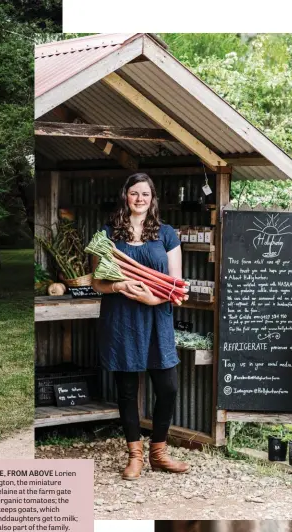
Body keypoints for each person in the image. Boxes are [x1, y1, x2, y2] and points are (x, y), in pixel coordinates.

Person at [92, 172, 189, 480]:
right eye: (134, 193)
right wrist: (118, 287)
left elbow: (177, 286)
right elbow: (97, 282)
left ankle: (158, 452)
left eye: (145, 194)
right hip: (121, 319)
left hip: (156, 318)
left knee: (168, 388)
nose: (139, 198)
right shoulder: (108, 234)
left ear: (152, 198)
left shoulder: (167, 234)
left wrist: (151, 299)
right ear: (126, 196)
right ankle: (135, 454)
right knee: (127, 390)